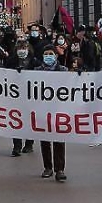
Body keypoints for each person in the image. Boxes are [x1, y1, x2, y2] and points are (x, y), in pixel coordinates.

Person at [36, 44, 68, 182]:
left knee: (59, 140)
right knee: (44, 139)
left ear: (56, 55)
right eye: (46, 53)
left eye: (51, 54)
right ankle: (48, 167)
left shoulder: (63, 70)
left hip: (59, 108)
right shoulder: (36, 72)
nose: (48, 56)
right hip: (43, 108)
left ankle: (60, 169)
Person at [5, 39, 37, 156]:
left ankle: (29, 144)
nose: (22, 51)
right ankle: (17, 146)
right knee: (15, 120)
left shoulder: (34, 61)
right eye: (19, 48)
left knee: (30, 120)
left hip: (31, 95)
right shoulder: (11, 61)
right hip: (15, 96)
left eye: (24, 48)